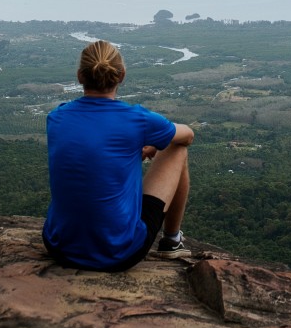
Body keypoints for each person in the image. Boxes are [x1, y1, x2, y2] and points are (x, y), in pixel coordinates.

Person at [42, 39, 194, 271]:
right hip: (117, 253)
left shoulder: (57, 117)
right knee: (177, 148)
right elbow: (188, 135)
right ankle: (172, 241)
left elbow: (95, 144)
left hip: (59, 247)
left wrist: (137, 147)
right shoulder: (137, 120)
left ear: (80, 76)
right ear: (121, 75)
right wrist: (153, 143)